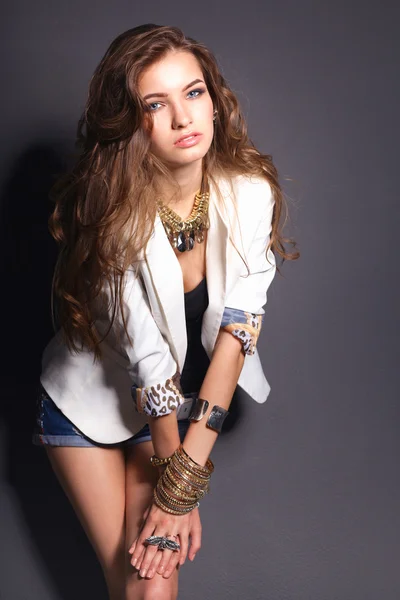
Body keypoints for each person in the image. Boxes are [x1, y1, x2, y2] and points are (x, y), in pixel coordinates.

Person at [32, 23, 299, 600]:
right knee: (142, 584)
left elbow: (238, 331)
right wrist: (176, 492)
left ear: (214, 97)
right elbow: (149, 364)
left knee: (152, 585)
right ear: (129, 123)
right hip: (90, 405)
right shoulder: (109, 215)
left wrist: (183, 488)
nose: (184, 118)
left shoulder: (250, 193)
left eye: (194, 92)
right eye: (157, 104)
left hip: (172, 416)